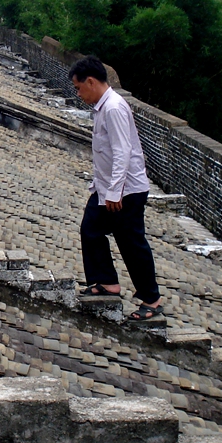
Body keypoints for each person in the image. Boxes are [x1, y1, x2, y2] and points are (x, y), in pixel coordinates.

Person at [69, 56, 162, 320]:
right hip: (106, 187)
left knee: (131, 242)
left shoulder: (113, 108)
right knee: (91, 229)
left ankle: (152, 300)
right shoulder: (103, 108)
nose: (79, 94)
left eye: (79, 88)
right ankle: (106, 281)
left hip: (125, 190)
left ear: (91, 81)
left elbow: (123, 151)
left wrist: (114, 191)